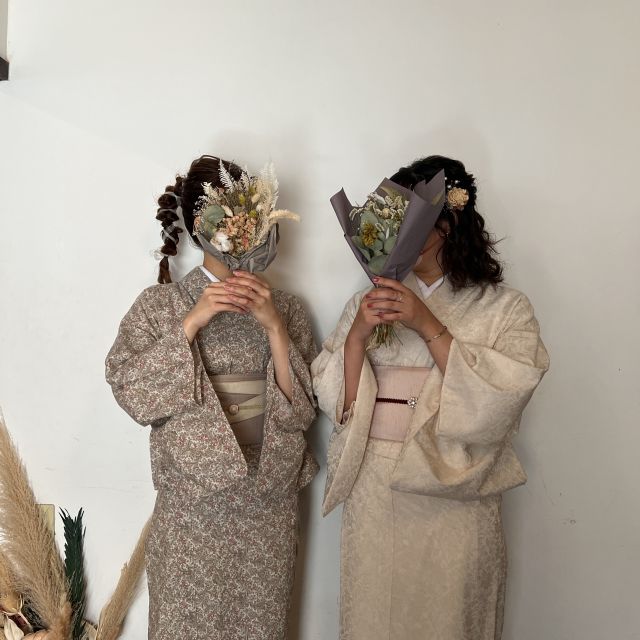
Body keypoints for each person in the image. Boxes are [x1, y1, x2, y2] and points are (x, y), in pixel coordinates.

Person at [312, 155, 550, 640]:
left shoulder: (504, 307)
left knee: (450, 619)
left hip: (454, 487)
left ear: (447, 223)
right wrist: (356, 337)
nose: (396, 232)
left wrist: (426, 323)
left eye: (410, 219)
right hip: (377, 485)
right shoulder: (367, 302)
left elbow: (501, 399)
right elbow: (341, 407)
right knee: (374, 617)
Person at [105, 155, 318, 640]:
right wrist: (193, 321)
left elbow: (302, 411)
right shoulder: (160, 306)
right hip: (192, 508)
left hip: (266, 505)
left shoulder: (285, 307)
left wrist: (274, 327)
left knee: (259, 626)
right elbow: (131, 390)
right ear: (199, 226)